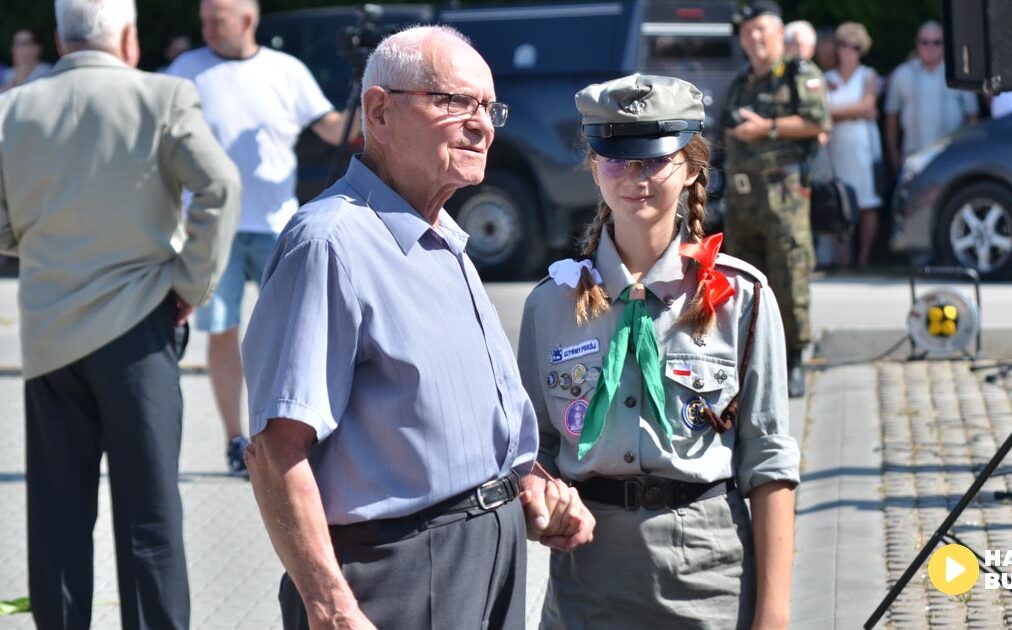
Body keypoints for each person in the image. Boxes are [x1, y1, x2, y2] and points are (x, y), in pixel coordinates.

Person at [240, 25, 594, 629]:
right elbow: (276, 452)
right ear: (378, 111)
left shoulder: (444, 237)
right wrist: (330, 607)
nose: (481, 124)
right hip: (398, 572)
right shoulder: (331, 243)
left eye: (487, 106)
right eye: (453, 102)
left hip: (486, 555)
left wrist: (529, 488)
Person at [518, 72, 800, 629]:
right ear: (594, 166)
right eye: (616, 159)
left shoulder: (742, 297)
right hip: (588, 586)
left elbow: (768, 463)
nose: (634, 177)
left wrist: (773, 616)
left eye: (654, 159)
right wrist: (539, 497)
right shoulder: (550, 304)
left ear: (692, 166)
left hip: (708, 581)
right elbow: (535, 449)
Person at [0, 0, 240, 626]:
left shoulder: (14, 107)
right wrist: (192, 282)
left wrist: (29, 240)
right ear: (129, 37)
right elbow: (221, 187)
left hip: (50, 332)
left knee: (56, 519)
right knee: (150, 517)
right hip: (140, 325)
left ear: (59, 36)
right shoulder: (163, 97)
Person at [167, 0, 356, 475]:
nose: (206, 27)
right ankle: (236, 441)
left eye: (217, 19)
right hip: (212, 227)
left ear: (247, 20)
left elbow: (331, 128)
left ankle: (290, 437)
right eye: (204, 18)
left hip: (277, 225)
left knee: (293, 334)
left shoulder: (285, 70)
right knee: (223, 331)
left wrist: (364, 105)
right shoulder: (186, 70)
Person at [719, 0, 830, 398]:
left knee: (789, 275)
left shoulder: (798, 74)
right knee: (746, 282)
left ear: (779, 33)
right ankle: (753, 361)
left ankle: (796, 358)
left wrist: (767, 128)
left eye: (761, 30)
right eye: (748, 33)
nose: (754, 38)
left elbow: (818, 121)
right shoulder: (741, 83)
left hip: (784, 198)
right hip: (742, 201)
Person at [822, 22, 883, 267]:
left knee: (867, 203)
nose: (848, 51)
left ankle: (864, 258)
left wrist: (838, 112)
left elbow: (867, 106)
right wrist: (855, 111)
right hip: (836, 148)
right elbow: (823, 113)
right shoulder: (828, 77)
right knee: (840, 202)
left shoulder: (868, 75)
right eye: (844, 45)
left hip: (862, 147)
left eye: (854, 47)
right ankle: (844, 259)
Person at [884, 20, 978, 172]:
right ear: (917, 44)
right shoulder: (902, 73)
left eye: (936, 42)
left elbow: (972, 117)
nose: (930, 47)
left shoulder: (959, 74)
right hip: (912, 158)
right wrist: (893, 154)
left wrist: (970, 154)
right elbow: (891, 116)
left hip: (951, 156)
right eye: (925, 42)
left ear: (945, 45)